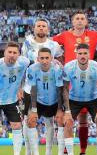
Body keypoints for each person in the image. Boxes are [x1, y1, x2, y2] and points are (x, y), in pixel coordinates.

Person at [53, 12, 97, 155]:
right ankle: (64, 150)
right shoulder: (64, 35)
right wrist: (55, 60)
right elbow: (48, 44)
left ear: (87, 21)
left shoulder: (95, 35)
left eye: (83, 18)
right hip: (70, 84)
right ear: (72, 22)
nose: (80, 21)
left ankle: (83, 151)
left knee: (84, 121)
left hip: (89, 82)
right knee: (66, 120)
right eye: (77, 18)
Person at [21, 18, 63, 155]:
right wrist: (19, 87)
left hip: (49, 89)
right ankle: (29, 151)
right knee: (28, 120)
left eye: (43, 26)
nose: (41, 28)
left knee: (49, 121)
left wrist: (58, 63)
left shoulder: (54, 45)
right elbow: (21, 65)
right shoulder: (27, 44)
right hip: (30, 88)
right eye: (38, 26)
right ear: (34, 29)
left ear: (48, 29)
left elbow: (60, 62)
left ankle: (48, 152)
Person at [0, 42, 30, 155]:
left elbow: (27, 72)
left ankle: (17, 153)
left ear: (19, 54)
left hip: (11, 100)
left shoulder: (24, 62)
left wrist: (21, 87)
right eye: (9, 52)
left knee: (17, 125)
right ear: (4, 53)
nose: (12, 55)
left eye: (14, 52)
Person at [62, 43, 97, 155]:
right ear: (76, 55)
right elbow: (65, 89)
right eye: (80, 53)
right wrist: (67, 111)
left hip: (93, 99)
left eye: (85, 53)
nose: (82, 56)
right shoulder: (68, 67)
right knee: (68, 122)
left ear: (89, 54)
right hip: (74, 99)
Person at [26, 48, 64, 155]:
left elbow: (60, 89)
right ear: (38, 59)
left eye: (47, 58)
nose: (44, 61)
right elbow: (33, 89)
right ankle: (35, 153)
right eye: (42, 58)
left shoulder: (57, 69)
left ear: (51, 58)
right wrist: (33, 109)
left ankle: (51, 152)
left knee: (60, 121)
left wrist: (60, 109)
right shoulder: (32, 69)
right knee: (30, 121)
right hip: (39, 101)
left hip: (55, 100)